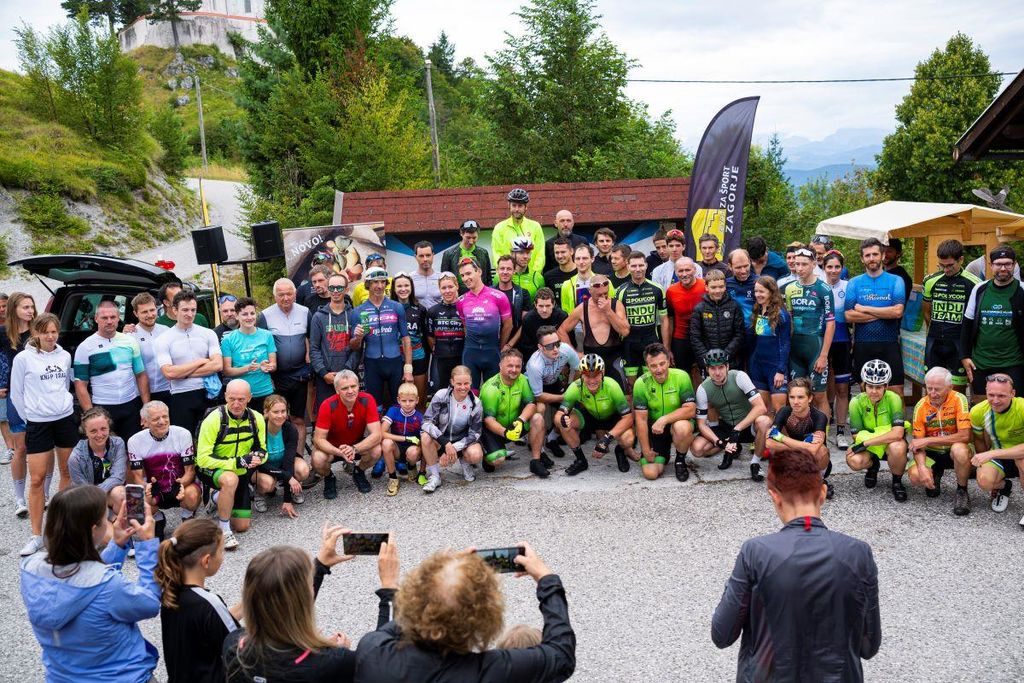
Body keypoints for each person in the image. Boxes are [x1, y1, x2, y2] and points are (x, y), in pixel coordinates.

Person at [712, 448, 881, 681]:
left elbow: (722, 634)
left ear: (774, 497)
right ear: (823, 493)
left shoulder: (755, 553)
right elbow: (869, 645)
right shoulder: (858, 553)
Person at [355, 542, 576, 682]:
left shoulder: (372, 651)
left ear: (413, 597)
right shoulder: (487, 673)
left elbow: (405, 621)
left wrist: (446, 573)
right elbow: (561, 654)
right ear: (486, 620)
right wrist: (545, 578)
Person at [21, 485, 161, 683]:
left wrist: (117, 545)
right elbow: (149, 603)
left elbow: (82, 578)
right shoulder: (108, 586)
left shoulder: (30, 569)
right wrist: (147, 545)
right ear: (94, 530)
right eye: (105, 519)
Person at [224, 525, 400, 682]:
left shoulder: (234, 647)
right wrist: (390, 590)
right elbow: (380, 663)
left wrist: (320, 566)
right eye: (309, 583)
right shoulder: (333, 663)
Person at [12, 313, 77, 557]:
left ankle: (60, 528)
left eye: (54, 332)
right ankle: (36, 535)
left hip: (64, 419)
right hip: (38, 423)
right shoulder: (23, 358)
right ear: (36, 333)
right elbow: (16, 394)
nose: (50, 336)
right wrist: (30, 416)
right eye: (45, 332)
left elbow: (66, 385)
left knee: (68, 473)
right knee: (37, 479)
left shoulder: (65, 355)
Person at [156, 518, 238, 683]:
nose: (222, 557)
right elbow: (239, 646)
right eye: (221, 552)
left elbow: (212, 622)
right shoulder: (209, 603)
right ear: (206, 560)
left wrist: (246, 605)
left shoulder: (171, 594)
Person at [196, 379, 268, 549]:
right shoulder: (214, 419)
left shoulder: (256, 418)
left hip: (240, 471)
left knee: (242, 526)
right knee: (230, 480)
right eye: (232, 399)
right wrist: (237, 462)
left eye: (241, 399)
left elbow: (262, 450)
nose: (236, 404)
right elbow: (202, 459)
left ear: (249, 398)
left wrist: (258, 458)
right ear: (225, 396)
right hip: (211, 468)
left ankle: (217, 498)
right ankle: (224, 530)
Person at [73, 300, 148, 441]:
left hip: (130, 405)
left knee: (133, 449)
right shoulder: (85, 347)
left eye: (113, 317)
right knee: (106, 451)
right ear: (96, 318)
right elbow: (80, 384)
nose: (109, 321)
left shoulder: (130, 341)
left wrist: (146, 406)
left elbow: (141, 375)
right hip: (102, 407)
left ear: (118, 318)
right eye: (104, 318)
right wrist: (91, 415)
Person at [128, 400, 202, 541]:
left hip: (178, 486)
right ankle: (157, 518)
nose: (162, 422)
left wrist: (181, 484)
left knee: (192, 496)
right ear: (145, 421)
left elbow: (190, 471)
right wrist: (147, 487)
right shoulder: (134, 441)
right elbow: (137, 477)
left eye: (165, 417)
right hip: (155, 488)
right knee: (134, 504)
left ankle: (187, 515)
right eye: (156, 419)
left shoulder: (183, 434)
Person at [553, 354, 636, 476]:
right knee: (564, 424)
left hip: (612, 417)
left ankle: (620, 451)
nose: (592, 380)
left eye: (596, 375)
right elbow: (558, 415)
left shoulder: (612, 385)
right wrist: (561, 419)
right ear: (581, 374)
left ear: (603, 373)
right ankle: (581, 460)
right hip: (589, 417)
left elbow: (628, 418)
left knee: (628, 439)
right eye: (587, 375)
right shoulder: (575, 387)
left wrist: (607, 439)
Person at [153, 289, 223, 433]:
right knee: (185, 439)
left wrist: (183, 373)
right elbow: (169, 373)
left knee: (213, 437)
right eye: (185, 310)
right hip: (181, 395)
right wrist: (200, 361)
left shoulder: (208, 333)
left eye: (193, 310)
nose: (190, 314)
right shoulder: (163, 339)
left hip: (208, 392)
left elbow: (217, 365)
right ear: (174, 310)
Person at [960, 245, 1024, 399]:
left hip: (1013, 363)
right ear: (991, 265)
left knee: (1015, 406)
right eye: (998, 264)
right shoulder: (979, 289)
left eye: (1008, 264)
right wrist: (964, 356)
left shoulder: (1022, 290)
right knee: (981, 405)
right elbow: (967, 325)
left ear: (1015, 264)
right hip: (981, 362)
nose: (1003, 268)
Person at [690, 349, 768, 472]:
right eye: (713, 368)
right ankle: (731, 447)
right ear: (707, 369)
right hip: (727, 426)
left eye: (721, 367)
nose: (717, 373)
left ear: (727, 366)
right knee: (697, 449)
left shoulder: (739, 376)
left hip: (748, 424)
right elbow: (701, 424)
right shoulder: (703, 389)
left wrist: (738, 429)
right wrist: (718, 442)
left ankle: (755, 463)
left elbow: (760, 407)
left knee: (764, 421)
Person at [909, 367, 973, 515]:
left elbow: (965, 436)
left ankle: (962, 491)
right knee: (916, 476)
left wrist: (928, 440)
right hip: (932, 453)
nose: (932, 393)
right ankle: (935, 472)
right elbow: (918, 445)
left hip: (952, 450)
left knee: (960, 450)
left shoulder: (959, 399)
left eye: (937, 389)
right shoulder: (920, 406)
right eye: (929, 388)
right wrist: (922, 467)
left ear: (950, 387)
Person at [845, 237, 907, 391]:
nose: (871, 258)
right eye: (867, 255)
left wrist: (864, 309)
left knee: (897, 391)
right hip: (863, 345)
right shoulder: (854, 282)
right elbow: (849, 315)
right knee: (866, 391)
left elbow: (897, 312)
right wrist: (885, 313)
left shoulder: (896, 280)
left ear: (882, 255)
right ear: (862, 259)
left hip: (889, 343)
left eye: (875, 254)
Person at [480, 349, 552, 478]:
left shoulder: (522, 379)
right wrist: (506, 433)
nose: (514, 370)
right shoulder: (491, 388)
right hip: (494, 430)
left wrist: (520, 420)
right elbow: (488, 420)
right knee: (497, 460)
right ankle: (487, 455)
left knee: (537, 417)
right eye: (510, 366)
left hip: (515, 424)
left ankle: (536, 461)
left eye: (518, 366)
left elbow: (531, 404)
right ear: (500, 366)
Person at [783, 246, 835, 420]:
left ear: (813, 264)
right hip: (795, 349)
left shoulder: (824, 289)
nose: (800, 268)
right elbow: (789, 320)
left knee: (819, 396)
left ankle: (822, 434)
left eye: (804, 264)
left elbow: (831, 323)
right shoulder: (789, 288)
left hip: (816, 347)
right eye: (797, 264)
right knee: (795, 395)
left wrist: (824, 355)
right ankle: (799, 431)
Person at [312, 370, 384, 498]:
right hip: (332, 446)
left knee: (376, 450)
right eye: (345, 388)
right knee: (317, 459)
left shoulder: (367, 399)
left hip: (355, 444)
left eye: (353, 386)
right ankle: (329, 477)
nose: (350, 391)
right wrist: (339, 452)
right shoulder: (327, 405)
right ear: (337, 390)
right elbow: (318, 439)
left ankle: (359, 471)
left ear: (358, 386)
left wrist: (354, 449)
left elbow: (377, 435)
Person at [845, 360, 909, 502]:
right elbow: (856, 435)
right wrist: (883, 436)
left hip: (884, 443)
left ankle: (897, 481)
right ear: (864, 385)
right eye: (870, 386)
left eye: (879, 387)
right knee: (853, 460)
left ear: (886, 386)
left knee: (898, 447)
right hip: (873, 443)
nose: (874, 391)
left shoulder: (894, 399)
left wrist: (866, 443)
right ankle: (873, 466)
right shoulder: (855, 402)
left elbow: (898, 433)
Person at [258, 278, 312, 448]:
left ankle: (299, 456)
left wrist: (309, 357)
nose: (286, 298)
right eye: (281, 295)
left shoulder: (305, 312)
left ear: (295, 294)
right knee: (276, 418)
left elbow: (310, 338)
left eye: (289, 294)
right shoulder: (265, 315)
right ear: (275, 296)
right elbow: (261, 345)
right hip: (277, 377)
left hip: (300, 375)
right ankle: (278, 455)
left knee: (298, 419)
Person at [351, 267, 413, 412]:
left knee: (399, 406)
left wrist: (408, 369)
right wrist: (358, 337)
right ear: (367, 284)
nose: (379, 286)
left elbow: (406, 339)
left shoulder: (396, 307)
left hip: (395, 363)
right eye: (375, 282)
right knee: (375, 407)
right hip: (372, 364)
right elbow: (354, 346)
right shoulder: (358, 311)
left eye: (382, 282)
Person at [922, 239, 981, 393]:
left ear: (961, 260)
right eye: (942, 265)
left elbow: (976, 318)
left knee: (957, 390)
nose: (946, 269)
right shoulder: (930, 280)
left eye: (950, 265)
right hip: (935, 340)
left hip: (959, 342)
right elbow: (927, 311)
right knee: (932, 387)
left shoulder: (974, 283)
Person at [757, 378, 833, 495]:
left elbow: (814, 450)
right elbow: (769, 443)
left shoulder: (819, 417)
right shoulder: (784, 412)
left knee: (822, 450)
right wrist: (803, 447)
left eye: (800, 397)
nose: (795, 402)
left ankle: (819, 479)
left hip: (814, 462)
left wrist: (781, 438)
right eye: (792, 397)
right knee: (773, 448)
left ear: (810, 398)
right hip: (794, 459)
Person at [632, 343, 696, 482]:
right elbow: (641, 420)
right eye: (653, 366)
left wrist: (664, 419)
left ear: (668, 361)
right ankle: (664, 453)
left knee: (682, 427)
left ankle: (680, 461)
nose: (659, 369)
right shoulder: (641, 383)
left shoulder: (681, 376)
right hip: (655, 431)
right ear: (647, 366)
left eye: (662, 364)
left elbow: (691, 409)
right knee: (651, 473)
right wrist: (646, 450)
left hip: (675, 425)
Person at [969, 373, 1024, 524]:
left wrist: (992, 453)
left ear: (1012, 394)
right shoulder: (978, 411)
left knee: (1022, 462)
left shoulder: (1022, 407)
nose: (995, 400)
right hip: (999, 457)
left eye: (1001, 395)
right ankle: (1004, 486)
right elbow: (979, 440)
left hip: (1019, 454)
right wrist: (982, 458)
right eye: (991, 395)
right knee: (984, 481)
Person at [420, 365, 484, 491]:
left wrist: (453, 447)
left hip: (462, 441)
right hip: (441, 438)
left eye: (466, 383)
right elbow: (426, 422)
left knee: (476, 454)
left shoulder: (476, 403)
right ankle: (435, 476)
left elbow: (475, 434)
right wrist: (445, 443)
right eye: (459, 383)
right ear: (452, 382)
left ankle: (465, 461)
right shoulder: (441, 395)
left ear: (471, 382)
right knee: (425, 436)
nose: (463, 387)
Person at [559, 272, 629, 386]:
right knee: (587, 393)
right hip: (590, 359)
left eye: (605, 293)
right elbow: (561, 331)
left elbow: (625, 331)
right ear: (590, 291)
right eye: (599, 295)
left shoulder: (616, 305)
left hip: (613, 357)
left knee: (621, 391)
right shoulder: (582, 308)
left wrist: (608, 311)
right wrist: (575, 354)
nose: (602, 297)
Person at [2, 292, 36, 518]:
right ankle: (19, 498)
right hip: (16, 396)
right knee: (20, 448)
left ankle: (42, 494)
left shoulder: (39, 331)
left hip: (39, 395)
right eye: (25, 307)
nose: (30, 311)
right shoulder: (2, 333)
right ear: (14, 308)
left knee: (42, 448)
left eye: (32, 306)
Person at [615, 251, 669, 392]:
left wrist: (666, 347)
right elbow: (617, 322)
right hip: (629, 344)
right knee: (631, 386)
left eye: (640, 265)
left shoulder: (657, 289)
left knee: (652, 384)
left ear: (646, 265)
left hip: (651, 341)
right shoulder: (620, 291)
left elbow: (664, 320)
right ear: (628, 266)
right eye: (634, 266)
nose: (637, 269)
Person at [456, 258, 512, 389]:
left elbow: (508, 325)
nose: (465, 278)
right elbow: (465, 326)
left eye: (468, 273)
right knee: (470, 392)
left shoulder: (499, 296)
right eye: (462, 275)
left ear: (479, 272)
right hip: (471, 352)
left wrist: (500, 346)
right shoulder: (461, 301)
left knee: (492, 393)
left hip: (493, 352)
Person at [525, 326, 580, 456]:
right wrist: (563, 397)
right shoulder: (534, 365)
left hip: (553, 382)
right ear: (540, 347)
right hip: (534, 387)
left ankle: (552, 438)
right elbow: (539, 396)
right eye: (549, 346)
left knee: (572, 409)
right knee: (540, 409)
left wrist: (571, 388)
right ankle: (539, 448)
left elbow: (579, 369)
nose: (555, 349)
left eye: (557, 343)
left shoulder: (565, 349)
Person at [256, 394, 310, 516]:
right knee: (267, 484)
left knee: (303, 470)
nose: (280, 415)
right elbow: (259, 464)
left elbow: (288, 462)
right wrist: (288, 477)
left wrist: (287, 500)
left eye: (283, 411)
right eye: (275, 412)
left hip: (282, 463)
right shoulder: (258, 429)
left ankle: (294, 489)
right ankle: (259, 493)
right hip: (263, 467)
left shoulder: (290, 429)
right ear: (266, 412)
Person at [221, 297, 277, 413]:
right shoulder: (228, 339)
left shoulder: (267, 335)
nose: (249, 317)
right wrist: (248, 368)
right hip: (240, 396)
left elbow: (274, 365)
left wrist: (267, 367)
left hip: (265, 391)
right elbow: (227, 371)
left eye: (252, 313)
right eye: (245, 314)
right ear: (237, 316)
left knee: (265, 423)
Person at [68, 407, 127, 516]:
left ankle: (121, 523)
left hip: (108, 491)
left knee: (121, 494)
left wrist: (99, 491)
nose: (99, 435)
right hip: (87, 499)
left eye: (103, 429)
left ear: (109, 427)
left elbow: (119, 476)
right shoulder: (75, 458)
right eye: (93, 431)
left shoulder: (118, 443)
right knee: (106, 525)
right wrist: (110, 516)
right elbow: (83, 491)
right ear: (85, 432)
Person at [310, 273, 356, 411]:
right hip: (326, 377)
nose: (335, 291)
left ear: (346, 289)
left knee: (349, 415)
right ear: (328, 289)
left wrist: (346, 371)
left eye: (339, 288)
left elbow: (358, 347)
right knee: (327, 415)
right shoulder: (318, 317)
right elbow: (314, 348)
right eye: (332, 288)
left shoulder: (354, 315)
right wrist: (323, 372)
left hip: (348, 376)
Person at [746, 276, 791, 416]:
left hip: (775, 367)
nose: (758, 295)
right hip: (758, 366)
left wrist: (781, 370)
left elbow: (785, 344)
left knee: (779, 411)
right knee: (762, 410)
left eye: (762, 291)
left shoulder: (781, 315)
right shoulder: (757, 310)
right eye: (756, 291)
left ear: (771, 292)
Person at [823, 251, 853, 448]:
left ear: (842, 268)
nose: (833, 271)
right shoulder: (818, 285)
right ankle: (822, 429)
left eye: (837, 267)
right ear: (823, 268)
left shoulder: (848, 286)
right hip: (822, 341)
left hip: (842, 340)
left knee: (843, 388)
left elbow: (854, 314)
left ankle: (841, 431)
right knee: (822, 387)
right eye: (829, 267)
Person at [690, 270, 746, 373]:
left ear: (725, 287)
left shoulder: (734, 306)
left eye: (721, 286)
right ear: (706, 287)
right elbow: (695, 337)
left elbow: (739, 334)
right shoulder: (699, 309)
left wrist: (725, 355)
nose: (717, 290)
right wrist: (707, 358)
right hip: (709, 363)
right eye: (713, 287)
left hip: (732, 361)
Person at [390, 273, 429, 410]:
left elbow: (425, 336)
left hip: (418, 357)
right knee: (397, 400)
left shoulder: (421, 309)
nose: (403, 289)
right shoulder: (388, 309)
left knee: (418, 399)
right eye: (399, 286)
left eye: (406, 285)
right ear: (394, 289)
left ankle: (420, 422)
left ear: (411, 288)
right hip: (395, 358)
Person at [665, 257, 707, 379]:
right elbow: (670, 319)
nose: (684, 274)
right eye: (680, 271)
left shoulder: (705, 286)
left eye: (687, 270)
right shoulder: (671, 291)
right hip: (681, 338)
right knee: (682, 375)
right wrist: (668, 348)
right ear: (675, 272)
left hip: (703, 336)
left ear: (694, 270)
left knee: (705, 373)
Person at [380, 382, 424, 494]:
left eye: (411, 400)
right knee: (386, 443)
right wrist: (406, 438)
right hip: (397, 449)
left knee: (414, 452)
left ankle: (411, 467)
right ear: (398, 400)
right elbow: (382, 433)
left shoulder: (420, 417)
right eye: (404, 401)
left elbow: (424, 441)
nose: (407, 404)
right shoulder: (393, 410)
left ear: (417, 400)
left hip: (412, 450)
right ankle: (393, 478)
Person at [426, 272, 466, 394]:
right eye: (443, 288)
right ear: (439, 289)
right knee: (441, 392)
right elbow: (430, 336)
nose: (447, 291)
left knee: (461, 391)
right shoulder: (433, 311)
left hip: (461, 357)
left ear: (457, 286)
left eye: (450, 287)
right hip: (441, 358)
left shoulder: (465, 307)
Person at [130, 292, 172, 405]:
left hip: (168, 390)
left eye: (152, 310)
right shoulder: (130, 336)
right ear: (136, 313)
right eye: (144, 312)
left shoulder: (166, 331)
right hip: (140, 394)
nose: (150, 315)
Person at [492, 188, 545, 273]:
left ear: (526, 207)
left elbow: (540, 254)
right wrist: (506, 273)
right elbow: (496, 254)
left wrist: (534, 274)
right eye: (514, 205)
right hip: (508, 276)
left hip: (531, 275)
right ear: (509, 206)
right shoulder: (499, 228)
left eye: (520, 206)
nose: (517, 209)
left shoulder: (535, 227)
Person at [560, 243, 617, 313]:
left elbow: (613, 307)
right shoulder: (567, 285)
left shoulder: (606, 282)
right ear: (574, 260)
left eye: (585, 258)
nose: (581, 262)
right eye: (578, 258)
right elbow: (566, 312)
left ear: (592, 259)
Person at [440, 219, 493, 292]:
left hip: (479, 292)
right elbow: (444, 278)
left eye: (474, 238)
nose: (471, 241)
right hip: (458, 293)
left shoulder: (483, 253)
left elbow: (488, 278)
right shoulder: (448, 254)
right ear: (461, 234)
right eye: (468, 237)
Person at [516, 287, 569, 360]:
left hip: (560, 357)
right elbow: (526, 347)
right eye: (541, 306)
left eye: (548, 306)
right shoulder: (528, 319)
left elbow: (569, 343)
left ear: (553, 304)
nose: (544, 310)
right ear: (535, 305)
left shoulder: (562, 317)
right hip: (537, 358)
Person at [493, 254, 531, 352]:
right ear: (497, 270)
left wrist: (510, 345)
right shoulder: (489, 293)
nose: (505, 272)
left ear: (514, 271)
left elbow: (525, 324)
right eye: (502, 268)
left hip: (516, 346)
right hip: (493, 346)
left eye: (509, 269)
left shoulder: (523, 293)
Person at [542, 236, 578, 308]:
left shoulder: (581, 273)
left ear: (571, 251)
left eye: (563, 252)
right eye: (557, 253)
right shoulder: (548, 277)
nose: (560, 256)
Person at [725, 248, 756, 328]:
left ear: (750, 262)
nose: (743, 271)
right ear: (730, 266)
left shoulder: (759, 283)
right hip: (733, 331)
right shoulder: (725, 284)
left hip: (755, 331)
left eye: (746, 266)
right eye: (738, 267)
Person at [411, 240, 442, 310]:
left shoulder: (441, 277)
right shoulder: (410, 279)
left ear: (433, 255)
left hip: (439, 315)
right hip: (417, 316)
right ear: (415, 257)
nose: (425, 259)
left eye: (428, 255)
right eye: (421, 256)